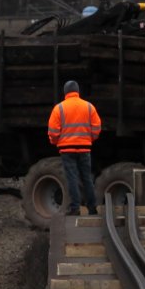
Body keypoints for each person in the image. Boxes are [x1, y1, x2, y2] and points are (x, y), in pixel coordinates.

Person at [48, 80, 102, 216]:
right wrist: (90, 139)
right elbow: (97, 127)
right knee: (87, 178)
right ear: (78, 91)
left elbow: (53, 132)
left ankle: (75, 208)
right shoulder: (89, 107)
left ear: (65, 92)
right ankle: (92, 208)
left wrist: (55, 141)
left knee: (72, 178)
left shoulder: (59, 108)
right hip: (84, 148)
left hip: (67, 149)